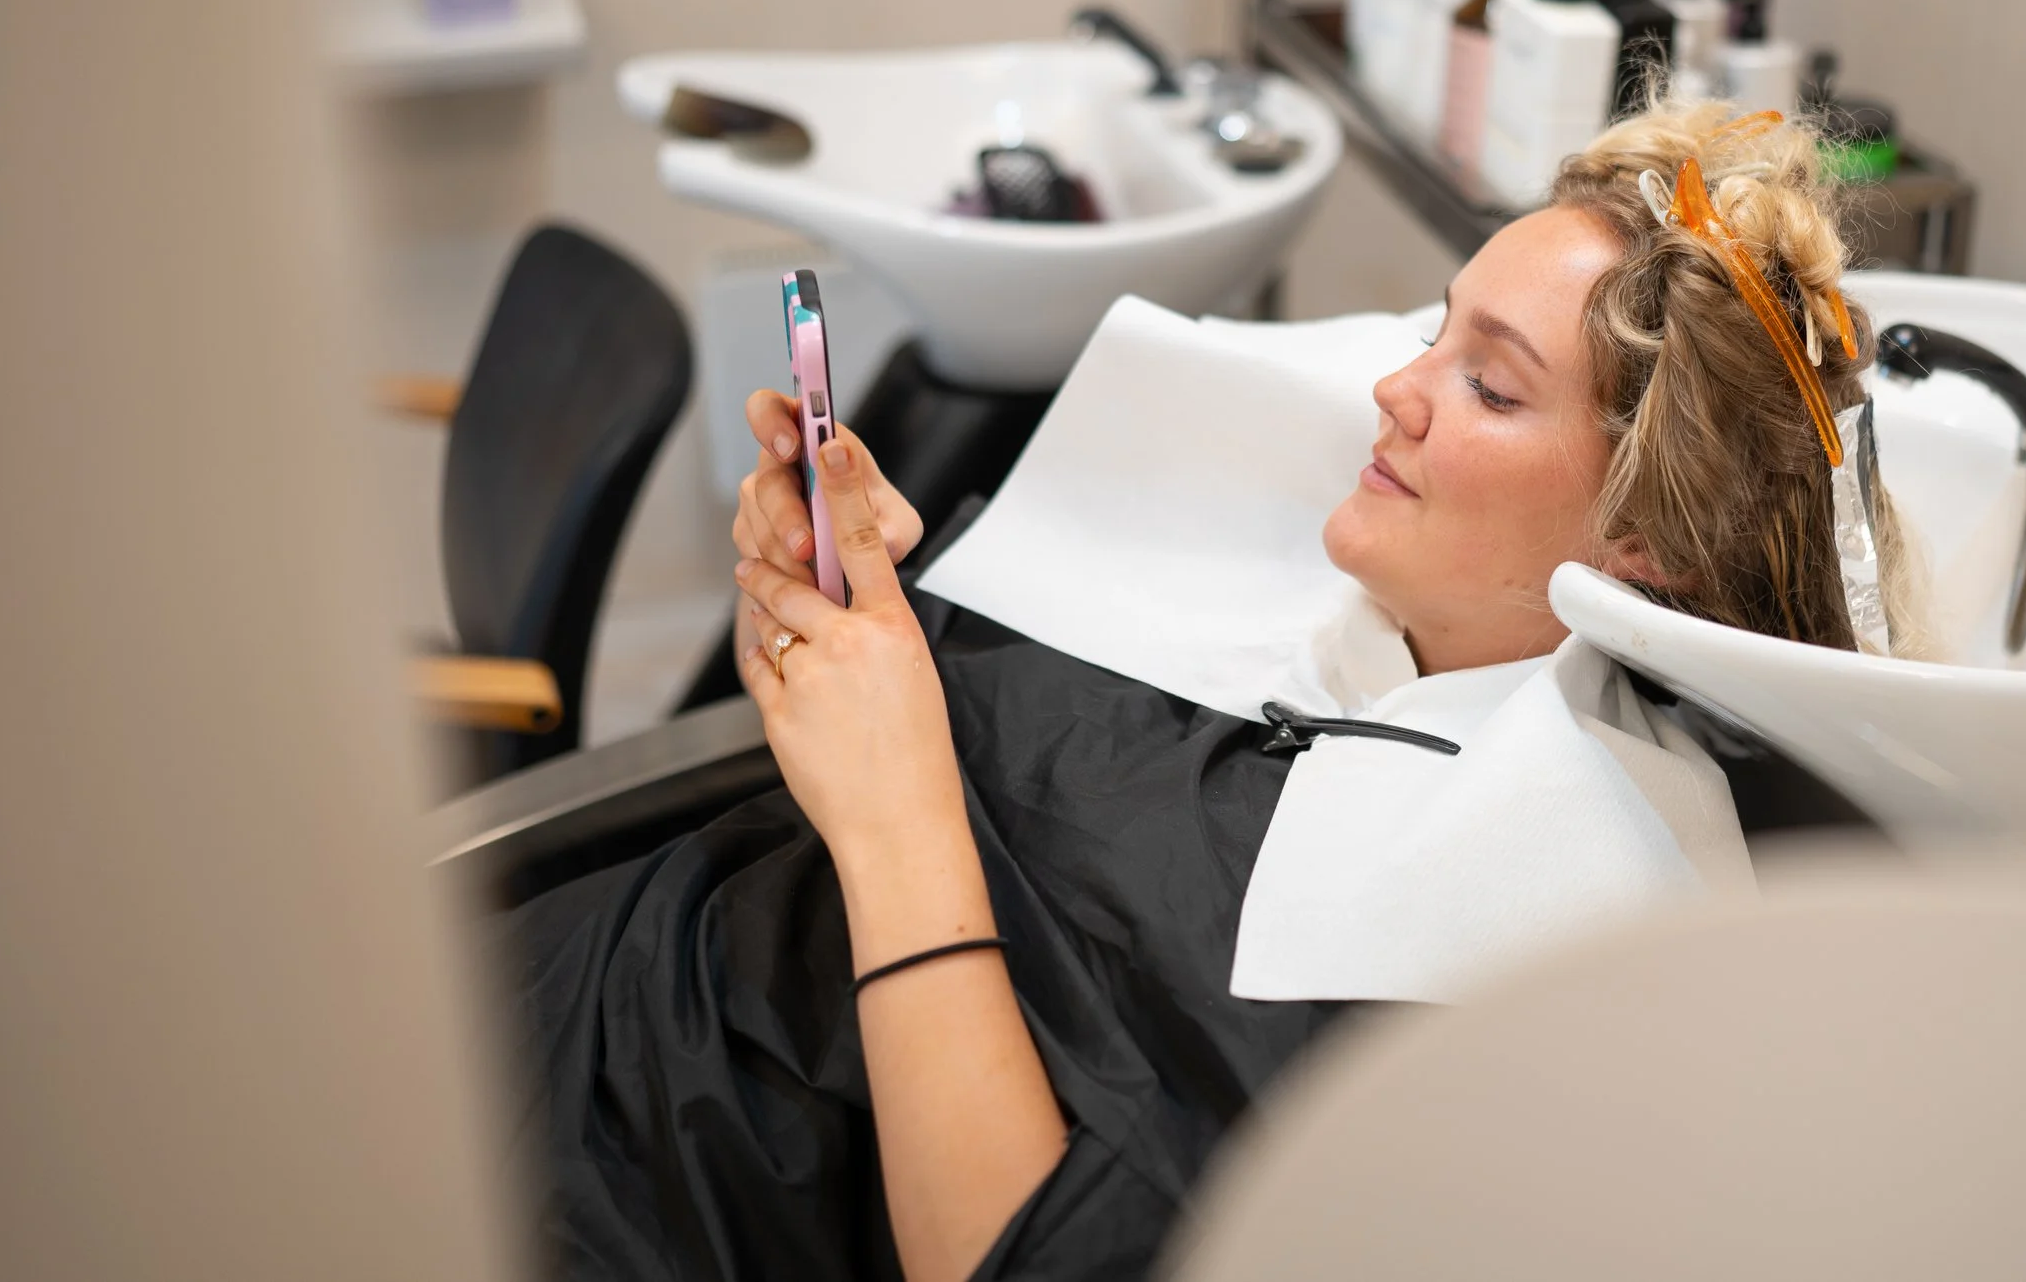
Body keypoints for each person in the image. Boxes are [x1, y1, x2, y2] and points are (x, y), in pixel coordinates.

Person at [497, 99, 1928, 1281]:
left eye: (1489, 386)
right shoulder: (1331, 577)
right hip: (595, 989)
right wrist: (849, 598)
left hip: (635, 1191)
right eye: (1436, 327)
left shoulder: (1527, 931)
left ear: (1644, 535)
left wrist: (892, 807)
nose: (1395, 390)